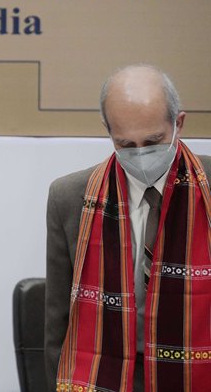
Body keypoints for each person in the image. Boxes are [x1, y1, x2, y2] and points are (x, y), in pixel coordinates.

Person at [45, 64, 211, 392]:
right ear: (108, 133)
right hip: (108, 376)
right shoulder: (69, 198)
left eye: (153, 140)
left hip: (199, 372)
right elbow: (59, 325)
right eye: (126, 144)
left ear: (178, 123)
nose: (141, 154)